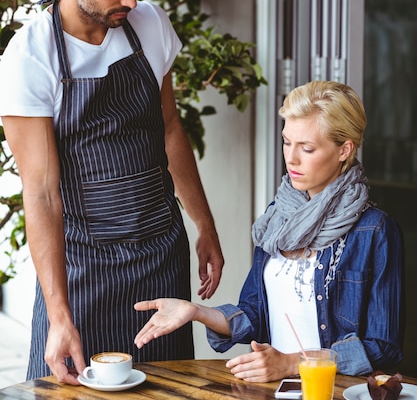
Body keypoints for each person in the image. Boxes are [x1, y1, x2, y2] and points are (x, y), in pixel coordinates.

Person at [0, 0, 224, 384]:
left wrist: (204, 224)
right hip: (84, 266)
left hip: (160, 252)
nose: (132, 0)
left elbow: (169, 129)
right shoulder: (31, 56)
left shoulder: (148, 25)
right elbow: (40, 193)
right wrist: (59, 313)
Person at [134, 81, 405, 382]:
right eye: (287, 142)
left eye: (307, 148)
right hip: (275, 397)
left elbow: (383, 347)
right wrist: (196, 311)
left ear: (344, 149)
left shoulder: (374, 230)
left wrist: (292, 364)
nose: (291, 158)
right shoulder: (277, 217)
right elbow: (254, 314)